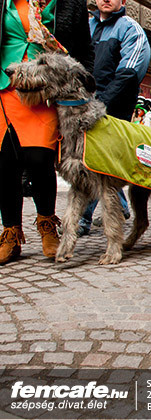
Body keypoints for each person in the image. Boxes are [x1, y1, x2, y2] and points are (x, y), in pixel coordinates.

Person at [0, 0, 94, 264]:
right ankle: (10, 234)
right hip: (5, 87)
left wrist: (86, 86)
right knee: (5, 163)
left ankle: (47, 226)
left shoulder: (70, 3)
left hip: (44, 91)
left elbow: (84, 49)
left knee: (40, 159)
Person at [77, 0, 151, 236]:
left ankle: (82, 218)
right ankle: (119, 204)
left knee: (95, 160)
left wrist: (101, 104)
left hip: (113, 107)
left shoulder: (129, 28)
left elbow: (128, 73)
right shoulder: (85, 26)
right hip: (83, 103)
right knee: (97, 160)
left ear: (124, 1)